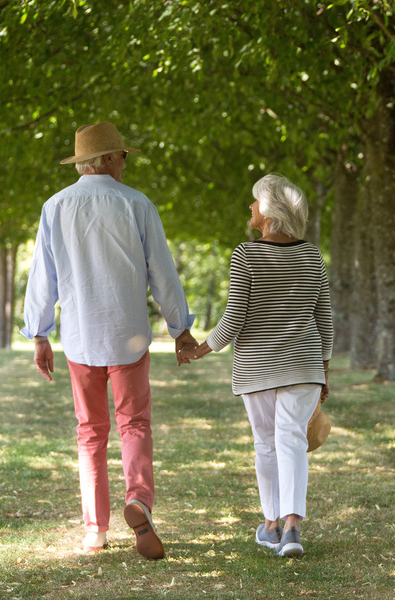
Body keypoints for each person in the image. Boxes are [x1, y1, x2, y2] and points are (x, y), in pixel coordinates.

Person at [21, 121, 198, 560]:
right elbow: (163, 273)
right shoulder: (137, 204)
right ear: (107, 159)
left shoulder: (55, 207)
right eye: (121, 155)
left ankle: (95, 530)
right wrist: (181, 329)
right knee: (134, 424)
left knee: (90, 433)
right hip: (129, 335)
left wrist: (39, 333)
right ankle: (138, 499)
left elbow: (44, 278)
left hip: (81, 337)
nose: (124, 162)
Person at [181, 173, 333, 558]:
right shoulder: (312, 255)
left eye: (254, 201)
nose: (249, 207)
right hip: (304, 366)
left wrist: (201, 349)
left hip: (258, 368)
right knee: (293, 440)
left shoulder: (246, 254)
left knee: (267, 444)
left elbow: (235, 318)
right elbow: (325, 319)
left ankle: (271, 525)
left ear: (267, 211)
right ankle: (293, 528)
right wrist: (324, 369)